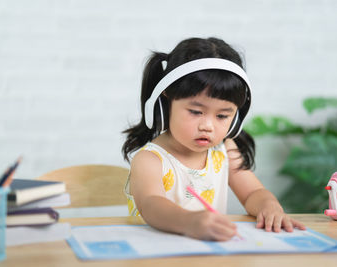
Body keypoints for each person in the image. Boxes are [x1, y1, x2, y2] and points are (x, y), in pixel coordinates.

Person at [122, 37, 306, 241]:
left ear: (236, 117)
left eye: (222, 116)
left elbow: (253, 192)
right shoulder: (150, 160)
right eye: (195, 111)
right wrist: (189, 222)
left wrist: (269, 206)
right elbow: (150, 204)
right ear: (167, 98)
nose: (207, 126)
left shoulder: (225, 148)